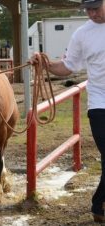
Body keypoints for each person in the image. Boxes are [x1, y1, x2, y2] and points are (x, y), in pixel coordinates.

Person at [30, 0, 105, 223]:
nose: (92, 13)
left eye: (96, 8)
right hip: (99, 103)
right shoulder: (82, 35)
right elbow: (67, 66)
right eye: (88, 9)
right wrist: (45, 63)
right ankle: (98, 204)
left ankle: (98, 204)